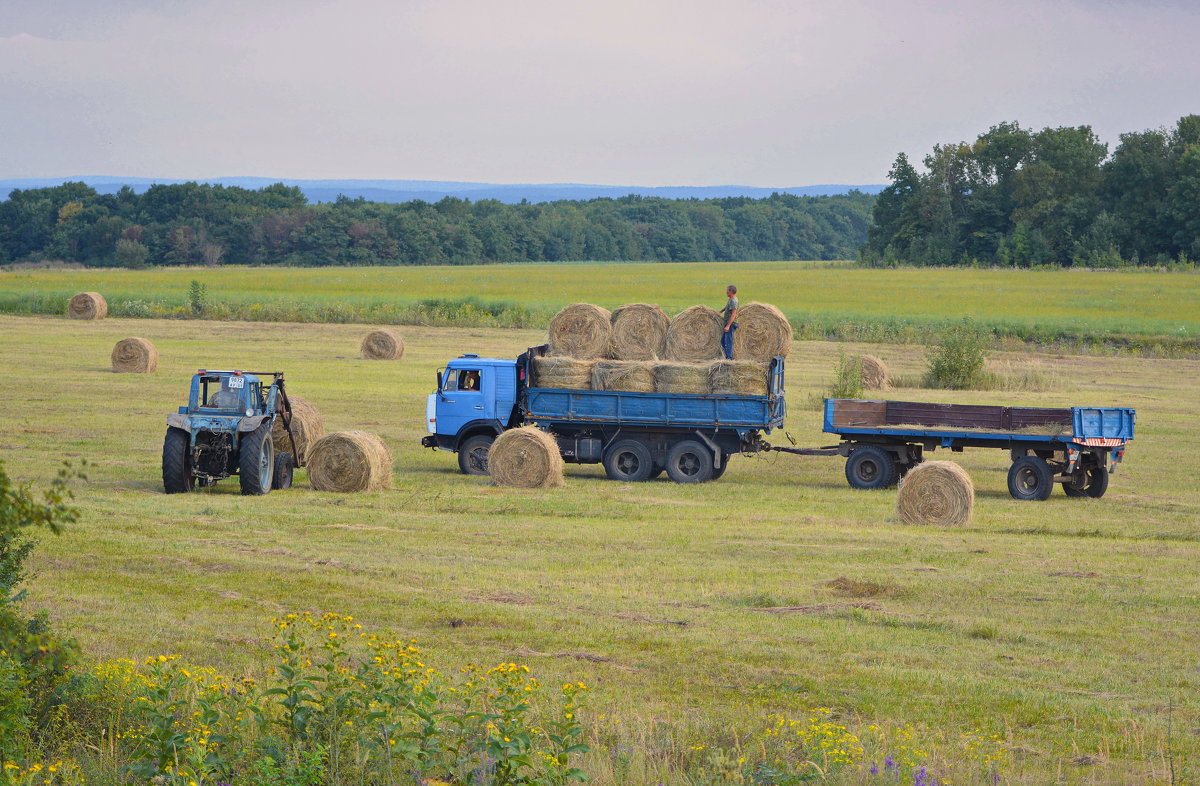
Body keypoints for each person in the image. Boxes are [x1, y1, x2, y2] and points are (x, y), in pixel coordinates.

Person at [720, 284, 738, 359]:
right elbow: (727, 307)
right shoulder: (731, 299)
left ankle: (729, 358)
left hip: (730, 324)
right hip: (727, 323)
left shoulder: (734, 301)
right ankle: (724, 356)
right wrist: (721, 311)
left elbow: (733, 314)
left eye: (727, 290)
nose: (726, 292)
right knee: (723, 341)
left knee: (728, 342)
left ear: (731, 291)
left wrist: (728, 326)